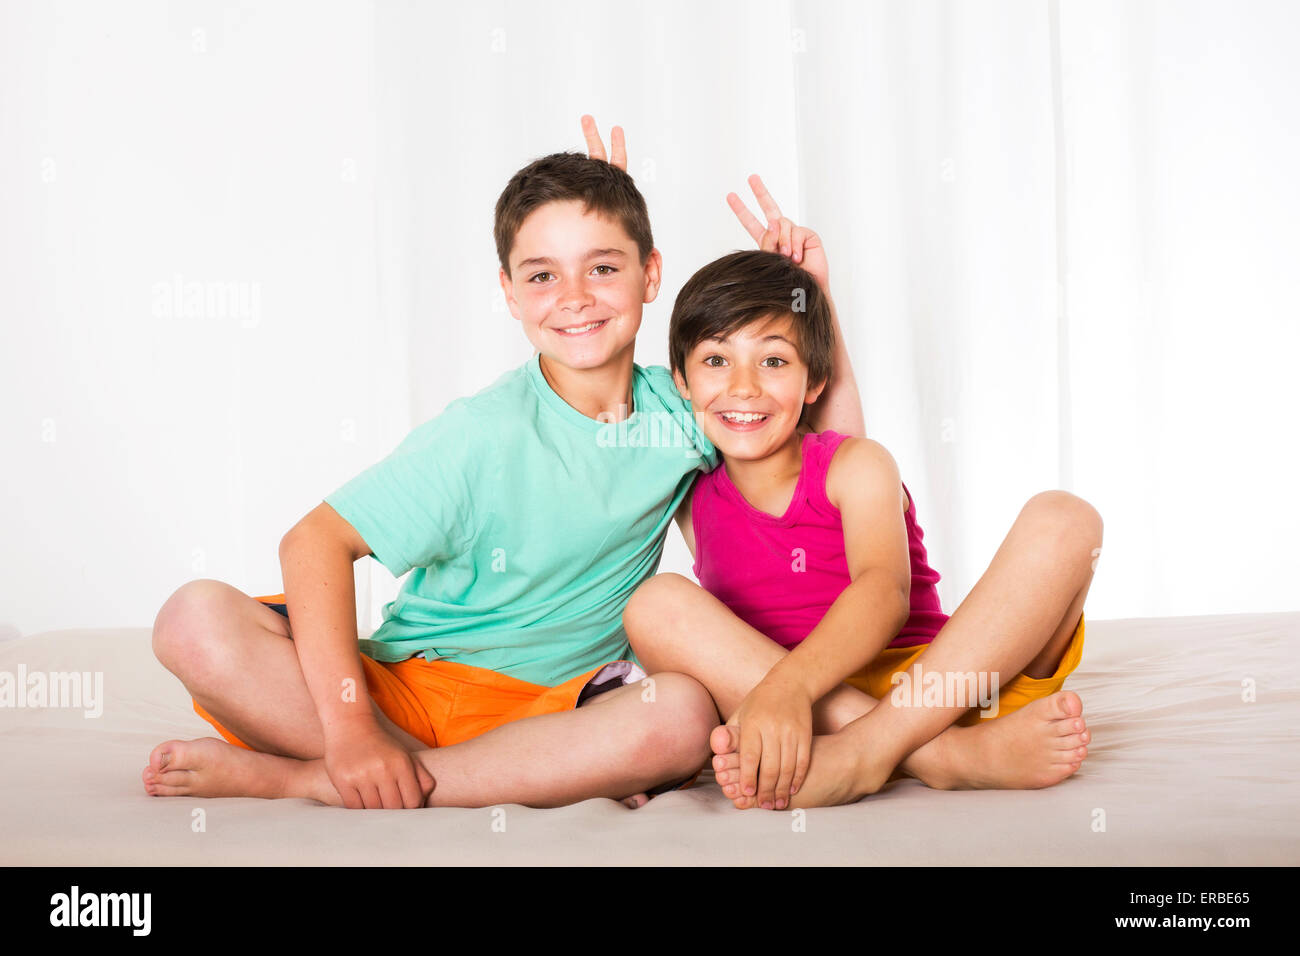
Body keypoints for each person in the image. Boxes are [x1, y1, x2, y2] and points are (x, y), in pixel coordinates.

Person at [141, 119, 866, 809]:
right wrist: (351, 728)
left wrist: (815, 303)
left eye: (603, 268)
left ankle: (308, 784)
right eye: (543, 276)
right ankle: (406, 769)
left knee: (678, 715)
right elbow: (314, 542)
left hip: (557, 709)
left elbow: (833, 469)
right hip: (409, 689)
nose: (576, 298)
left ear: (651, 275)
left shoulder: (684, 412)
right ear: (509, 293)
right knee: (192, 620)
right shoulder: (480, 435)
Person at [623, 231, 1102, 812]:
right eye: (716, 361)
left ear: (814, 383)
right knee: (654, 603)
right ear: (681, 382)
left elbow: (885, 591)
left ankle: (872, 750)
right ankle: (942, 758)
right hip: (810, 714)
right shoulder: (694, 496)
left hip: (939, 689)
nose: (742, 386)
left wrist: (788, 687)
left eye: (773, 361)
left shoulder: (854, 465)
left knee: (1067, 518)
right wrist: (606, 267)